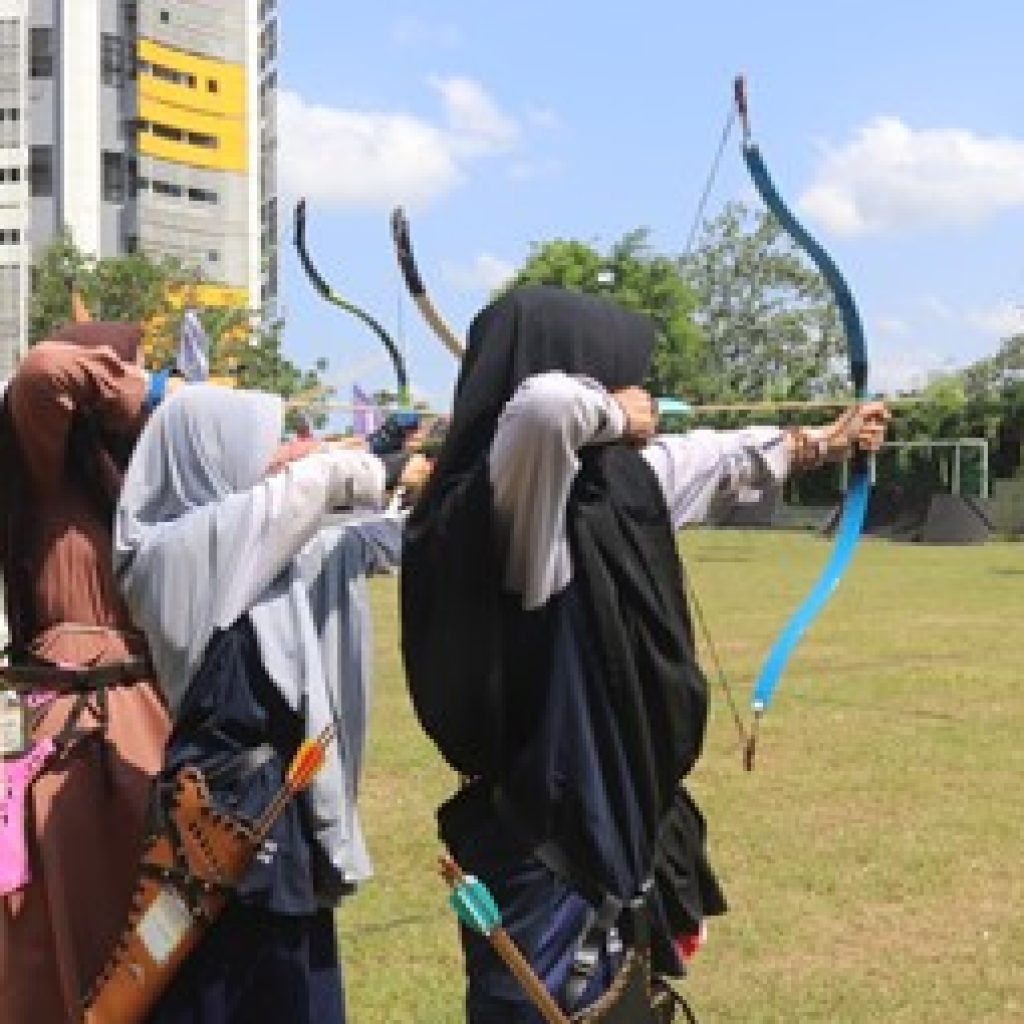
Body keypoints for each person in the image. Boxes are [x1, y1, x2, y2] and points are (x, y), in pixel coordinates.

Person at [401, 285, 889, 1022]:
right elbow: (545, 413)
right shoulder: (515, 506)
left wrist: (824, 441)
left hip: (610, 827)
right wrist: (616, 409)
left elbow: (718, 459)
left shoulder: (614, 486)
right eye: (612, 373)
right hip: (543, 842)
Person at [112, 384, 429, 1022]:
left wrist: (454, 489)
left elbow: (365, 538)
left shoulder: (247, 548)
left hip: (277, 812)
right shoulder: (170, 553)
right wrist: (384, 465)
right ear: (206, 456)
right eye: (257, 447)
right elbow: (315, 486)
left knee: (292, 988)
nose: (273, 458)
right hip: (226, 819)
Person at [0, 325, 172, 1023]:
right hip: (75, 729)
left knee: (156, 941)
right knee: (67, 939)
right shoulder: (47, 479)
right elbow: (46, 371)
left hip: (148, 721)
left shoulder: (140, 484)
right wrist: (152, 394)